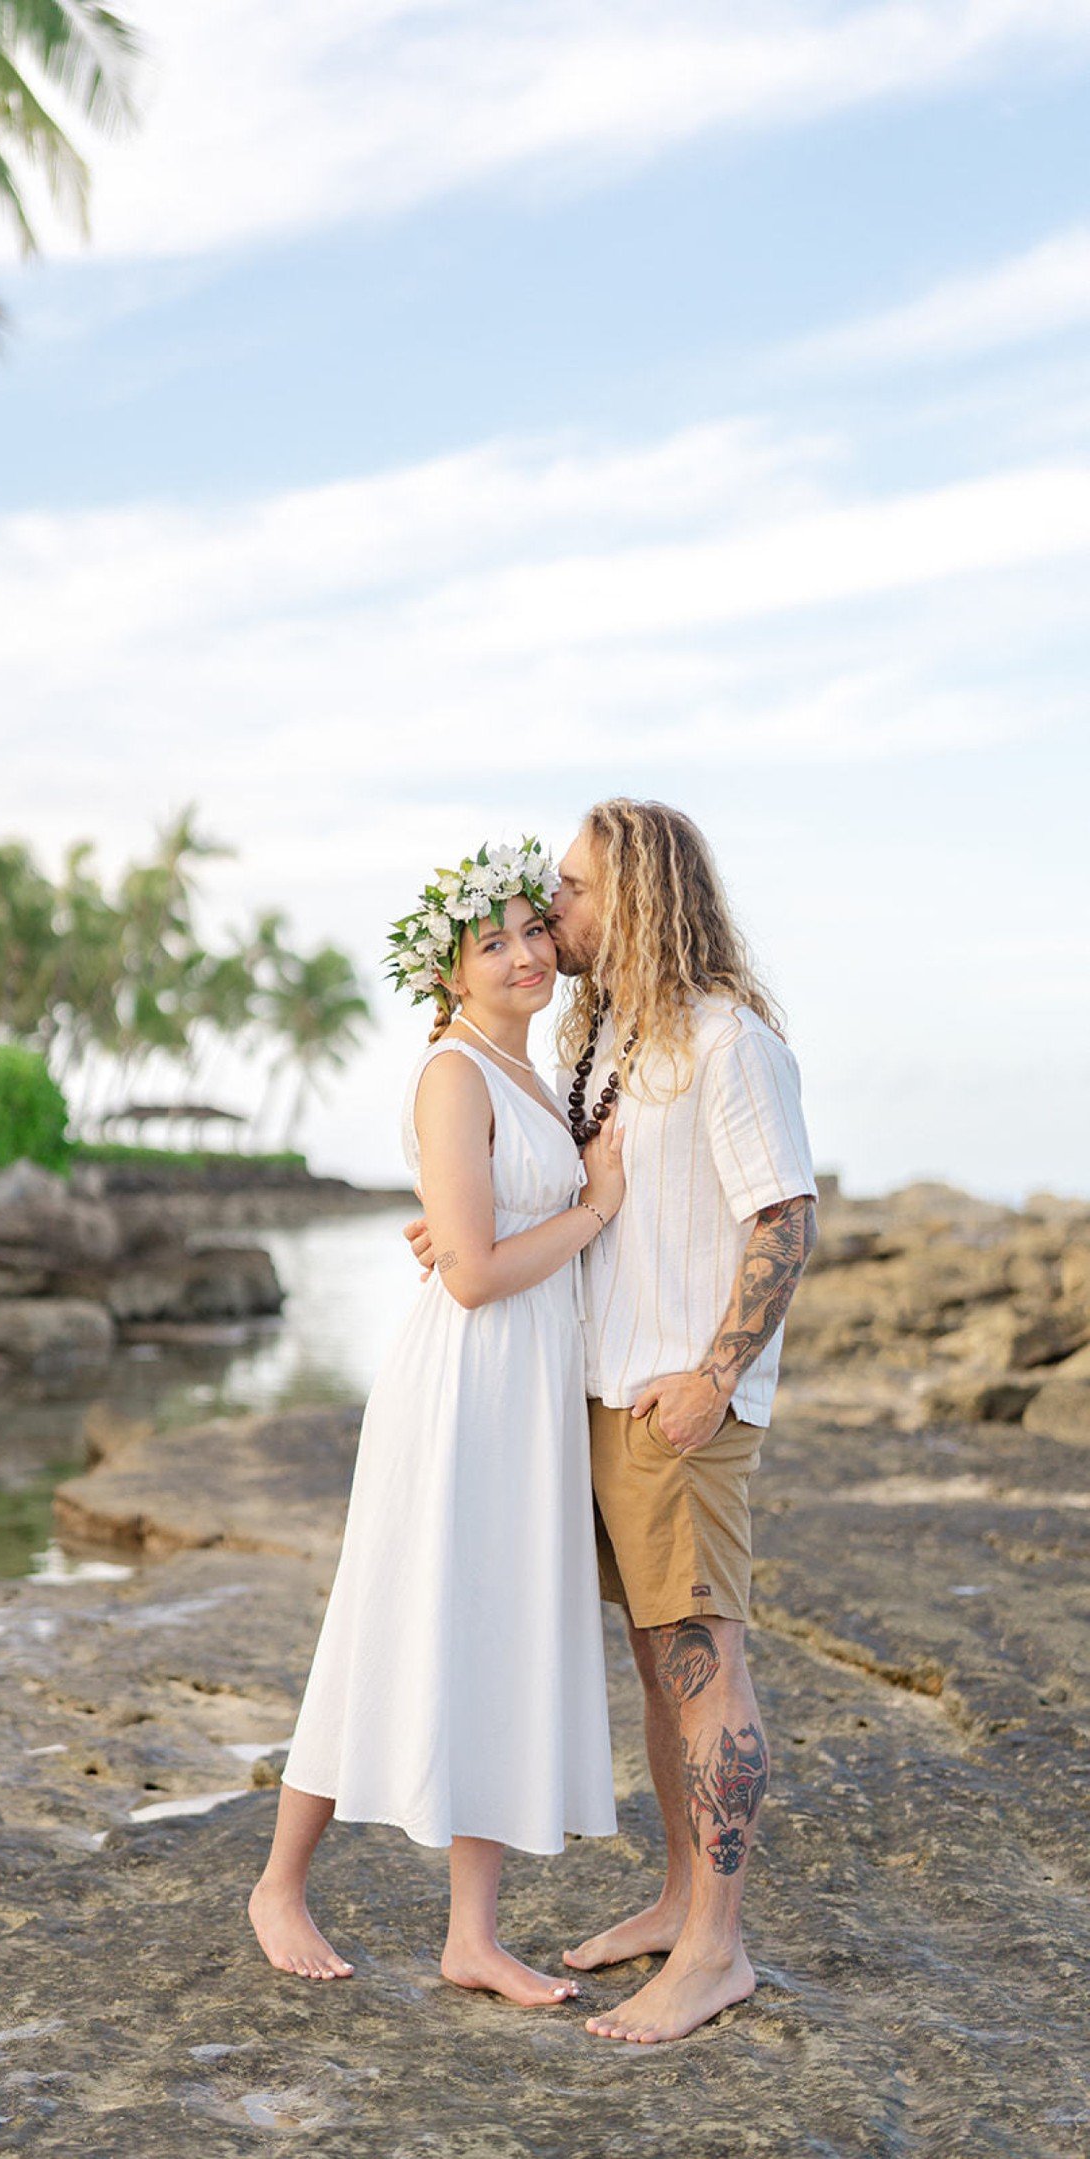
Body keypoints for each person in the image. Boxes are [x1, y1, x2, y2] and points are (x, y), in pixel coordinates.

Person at [409, 799, 818, 2046]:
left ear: (638, 895)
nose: (554, 912)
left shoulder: (725, 1041)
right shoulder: (607, 1033)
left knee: (705, 1667)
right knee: (656, 1662)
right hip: (595, 1396)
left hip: (673, 1408)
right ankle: (680, 1896)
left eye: (575, 891)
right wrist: (463, 1230)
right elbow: (583, 1201)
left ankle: (716, 1950)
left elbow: (786, 1219)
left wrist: (712, 1375)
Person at [249, 841, 625, 2007]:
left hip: (529, 1382)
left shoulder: (538, 1073)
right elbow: (467, 1274)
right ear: (450, 976)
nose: (523, 952)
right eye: (491, 942)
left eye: (530, 929)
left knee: (502, 1627)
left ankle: (474, 1934)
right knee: (387, 1614)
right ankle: (278, 1880)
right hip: (465, 1378)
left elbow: (480, 1234)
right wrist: (596, 1207)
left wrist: (564, 1217)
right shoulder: (454, 1073)